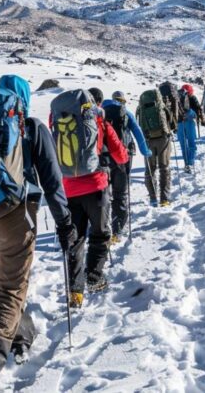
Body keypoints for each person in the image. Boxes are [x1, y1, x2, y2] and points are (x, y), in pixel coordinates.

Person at [0, 75, 78, 392]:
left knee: (8, 280)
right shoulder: (33, 126)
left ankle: (22, 336)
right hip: (18, 216)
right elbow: (52, 183)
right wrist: (65, 223)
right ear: (23, 97)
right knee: (9, 291)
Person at [53, 89, 129, 308]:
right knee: (101, 232)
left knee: (75, 240)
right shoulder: (98, 121)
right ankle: (94, 277)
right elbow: (120, 154)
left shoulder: (59, 121)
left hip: (68, 190)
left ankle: (75, 292)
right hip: (96, 186)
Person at [97, 89, 151, 242]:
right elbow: (138, 132)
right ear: (123, 102)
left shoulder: (101, 112)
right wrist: (145, 151)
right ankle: (118, 228)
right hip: (123, 157)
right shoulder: (126, 113)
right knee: (121, 192)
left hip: (103, 159)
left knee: (105, 193)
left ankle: (103, 225)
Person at [136, 87, 175, 206]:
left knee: (150, 169)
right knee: (164, 168)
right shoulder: (161, 105)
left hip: (147, 140)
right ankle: (164, 199)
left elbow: (138, 123)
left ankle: (153, 198)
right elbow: (171, 122)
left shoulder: (140, 108)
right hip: (163, 139)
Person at [176, 83, 205, 172]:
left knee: (183, 145)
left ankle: (186, 164)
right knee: (192, 144)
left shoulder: (176, 98)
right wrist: (202, 120)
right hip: (189, 122)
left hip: (179, 123)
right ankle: (191, 163)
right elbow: (198, 109)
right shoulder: (192, 97)